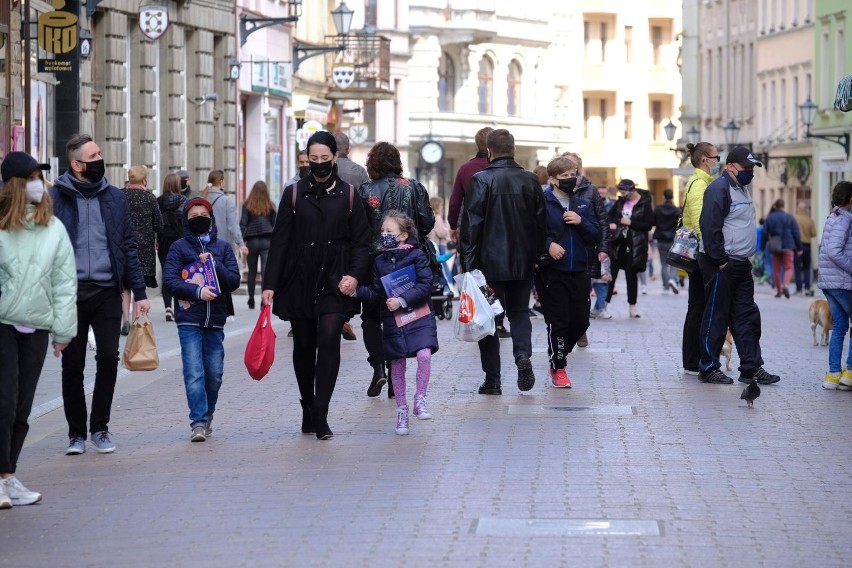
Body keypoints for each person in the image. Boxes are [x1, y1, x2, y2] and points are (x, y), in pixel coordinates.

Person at [262, 131, 371, 440]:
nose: (320, 164)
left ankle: (321, 412)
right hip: (300, 278)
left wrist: (355, 275)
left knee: (329, 337)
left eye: (325, 159)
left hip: (336, 279)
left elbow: (362, 242)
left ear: (335, 157)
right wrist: (269, 284)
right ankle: (307, 406)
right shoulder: (294, 194)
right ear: (306, 159)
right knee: (304, 346)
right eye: (314, 159)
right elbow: (280, 242)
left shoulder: (350, 195)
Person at [51, 134, 150, 455]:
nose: (100, 159)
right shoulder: (56, 198)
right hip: (70, 294)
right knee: (72, 365)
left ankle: (101, 428)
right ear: (77, 165)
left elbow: (129, 247)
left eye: (100, 154)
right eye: (93, 156)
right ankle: (76, 434)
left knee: (108, 357)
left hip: (109, 291)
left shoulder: (115, 197)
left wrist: (140, 292)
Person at [0, 152, 77, 508]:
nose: (39, 184)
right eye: (32, 177)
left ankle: (8, 476)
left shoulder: (53, 227)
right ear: (16, 184)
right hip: (2, 323)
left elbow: (64, 282)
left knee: (22, 408)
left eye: (39, 177)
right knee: (4, 400)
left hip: (37, 325)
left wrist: (63, 331)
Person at [460, 128, 546, 395]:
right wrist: (537, 256)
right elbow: (541, 224)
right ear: (513, 149)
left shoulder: (481, 180)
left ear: (489, 151)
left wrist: (469, 265)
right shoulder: (530, 180)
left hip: (489, 264)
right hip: (522, 262)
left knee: (487, 321)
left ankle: (493, 379)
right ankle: (522, 356)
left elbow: (472, 226)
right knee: (520, 312)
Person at [697, 145, 780, 385]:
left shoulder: (741, 188)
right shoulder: (718, 188)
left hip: (741, 263)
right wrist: (720, 259)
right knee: (716, 317)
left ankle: (751, 368)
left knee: (747, 317)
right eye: (746, 167)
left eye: (752, 168)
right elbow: (709, 226)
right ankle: (709, 367)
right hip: (722, 263)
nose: (750, 172)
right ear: (731, 166)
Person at [358, 142, 435, 398]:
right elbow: (426, 223)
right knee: (399, 316)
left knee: (370, 316)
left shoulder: (365, 190)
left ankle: (379, 365)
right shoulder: (413, 187)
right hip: (406, 261)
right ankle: (395, 375)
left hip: (374, 262)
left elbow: (356, 230)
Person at [353, 211, 439, 434]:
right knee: (397, 363)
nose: (384, 235)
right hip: (393, 321)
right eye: (382, 231)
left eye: (389, 231)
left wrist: (402, 299)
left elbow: (425, 284)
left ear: (403, 235)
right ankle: (402, 411)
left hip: (419, 316)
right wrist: (356, 291)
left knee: (424, 354)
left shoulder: (417, 256)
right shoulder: (380, 261)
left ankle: (420, 399)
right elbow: (375, 291)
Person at [163, 198, 241, 442]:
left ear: (211, 217)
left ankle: (208, 414)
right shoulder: (178, 247)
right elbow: (171, 281)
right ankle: (197, 422)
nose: (199, 217)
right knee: (194, 371)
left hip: (216, 319)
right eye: (193, 214)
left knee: (214, 374)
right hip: (189, 319)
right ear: (187, 220)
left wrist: (215, 264)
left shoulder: (224, 248)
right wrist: (197, 292)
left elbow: (234, 281)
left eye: (203, 213)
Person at [536, 157, 601, 387]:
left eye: (573, 174)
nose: (570, 179)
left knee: (581, 321)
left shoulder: (581, 203)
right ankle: (559, 366)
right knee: (558, 321)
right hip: (552, 272)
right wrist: (548, 245)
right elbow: (529, 233)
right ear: (552, 179)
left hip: (579, 271)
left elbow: (595, 235)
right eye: (564, 176)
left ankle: (559, 353)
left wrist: (581, 221)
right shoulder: (542, 201)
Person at [561, 152, 610, 347]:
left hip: (585, 250)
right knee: (562, 295)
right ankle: (563, 332)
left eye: (570, 168)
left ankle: (580, 328)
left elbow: (602, 220)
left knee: (581, 296)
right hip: (561, 250)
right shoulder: (554, 191)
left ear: (578, 169)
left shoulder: (590, 191)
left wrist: (604, 247)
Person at [681, 141, 719, 375]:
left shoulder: (703, 182)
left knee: (697, 306)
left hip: (700, 253)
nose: (718, 161)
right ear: (705, 160)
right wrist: (712, 251)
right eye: (715, 157)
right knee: (697, 307)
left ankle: (693, 358)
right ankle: (692, 359)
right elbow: (698, 222)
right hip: (699, 254)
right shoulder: (698, 185)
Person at [816, 181, 852, 390]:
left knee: (839, 326)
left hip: (830, 282)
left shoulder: (833, 217)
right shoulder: (844, 220)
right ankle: (849, 373)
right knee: (843, 326)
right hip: (841, 282)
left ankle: (833, 375)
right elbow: (834, 251)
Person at [120, 165, 162, 335]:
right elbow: (159, 225)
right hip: (144, 249)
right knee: (139, 285)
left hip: (123, 246)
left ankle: (125, 320)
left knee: (125, 287)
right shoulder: (150, 198)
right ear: (144, 180)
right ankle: (138, 320)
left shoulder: (120, 196)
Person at [605, 179, 653, 318]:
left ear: (632, 190)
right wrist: (613, 224)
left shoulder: (644, 203)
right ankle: (604, 305)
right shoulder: (620, 202)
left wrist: (630, 223)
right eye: (621, 192)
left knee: (631, 276)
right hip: (618, 242)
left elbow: (648, 225)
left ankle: (632, 306)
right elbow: (610, 217)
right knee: (611, 273)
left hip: (635, 244)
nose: (622, 194)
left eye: (624, 192)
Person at [448, 126, 493, 238]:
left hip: (471, 228)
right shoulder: (501, 169)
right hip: (497, 229)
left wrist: (453, 225)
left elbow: (455, 202)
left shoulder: (465, 168)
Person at [240, 181, 277, 310]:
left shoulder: (247, 205)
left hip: (252, 241)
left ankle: (251, 299)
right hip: (267, 241)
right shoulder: (270, 205)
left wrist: (240, 241)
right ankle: (263, 300)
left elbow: (243, 224)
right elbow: (276, 225)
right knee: (266, 272)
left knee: (252, 272)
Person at [157, 173, 187, 321]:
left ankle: (168, 307)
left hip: (163, 243)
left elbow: (155, 225)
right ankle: (178, 306)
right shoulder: (183, 201)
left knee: (166, 274)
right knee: (180, 275)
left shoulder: (158, 201)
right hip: (179, 243)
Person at [763, 198, 802, 299]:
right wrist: (799, 247)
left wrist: (763, 246)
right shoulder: (789, 217)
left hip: (775, 245)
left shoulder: (770, 217)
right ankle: (786, 285)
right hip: (788, 245)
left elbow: (764, 232)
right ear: (783, 206)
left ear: (775, 206)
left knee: (776, 268)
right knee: (789, 267)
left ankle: (778, 290)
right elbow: (796, 233)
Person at [653, 188, 681, 295]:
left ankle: (665, 288)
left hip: (661, 240)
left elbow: (653, 222)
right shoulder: (677, 210)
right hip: (674, 240)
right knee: (674, 263)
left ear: (664, 197)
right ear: (672, 197)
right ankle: (672, 279)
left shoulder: (658, 209)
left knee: (664, 264)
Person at [794, 200, 817, 296]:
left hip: (797, 246)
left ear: (798, 208)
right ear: (806, 209)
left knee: (797, 268)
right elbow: (814, 233)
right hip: (807, 246)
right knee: (807, 267)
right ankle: (807, 288)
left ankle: (799, 289)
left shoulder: (794, 219)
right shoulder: (810, 220)